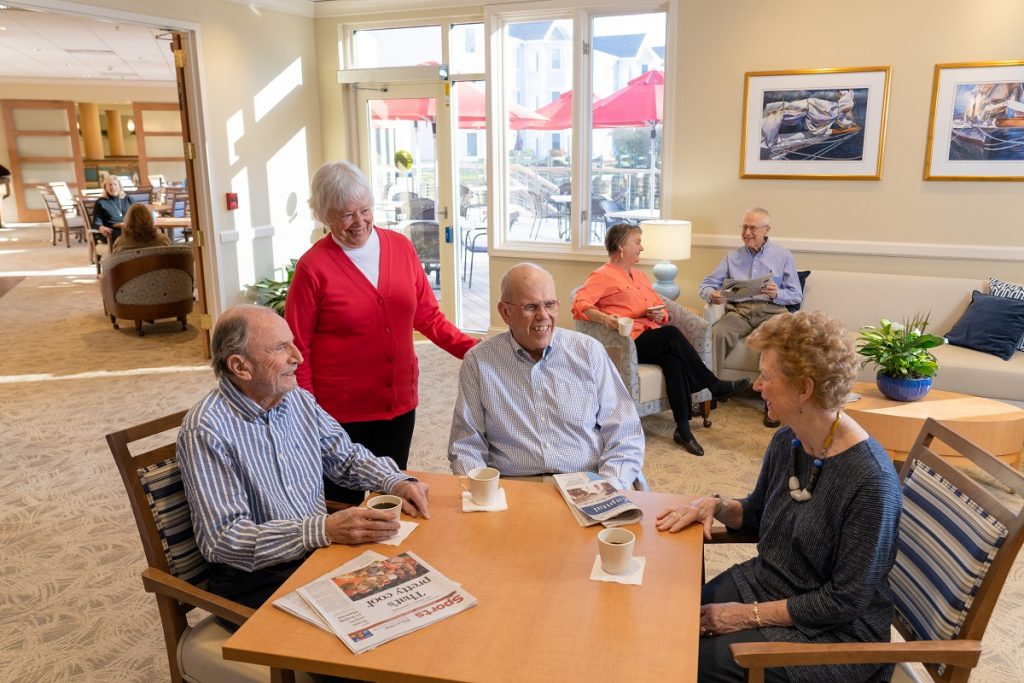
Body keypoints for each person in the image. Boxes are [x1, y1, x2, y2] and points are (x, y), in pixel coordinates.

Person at [656, 311, 901, 683]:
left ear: (804, 388)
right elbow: (755, 514)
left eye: (767, 376)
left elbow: (845, 601)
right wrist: (716, 505)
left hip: (835, 635)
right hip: (769, 583)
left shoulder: (871, 481)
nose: (757, 386)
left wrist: (743, 615)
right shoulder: (789, 438)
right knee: (670, 621)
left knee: (687, 662)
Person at [177, 304, 430, 609]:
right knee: (381, 616)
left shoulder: (296, 399)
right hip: (259, 576)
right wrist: (322, 530)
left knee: (414, 582)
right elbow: (225, 540)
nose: (299, 357)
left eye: (293, 343)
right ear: (240, 367)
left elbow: (345, 457)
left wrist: (394, 481)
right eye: (282, 348)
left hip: (315, 551)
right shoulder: (206, 430)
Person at [285, 161, 477, 504]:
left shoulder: (400, 247)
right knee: (343, 504)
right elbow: (297, 349)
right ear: (323, 216)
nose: (359, 222)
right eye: (345, 215)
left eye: (365, 210)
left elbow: (429, 317)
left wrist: (474, 349)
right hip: (338, 414)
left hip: (398, 402)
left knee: (391, 496)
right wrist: (307, 410)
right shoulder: (313, 268)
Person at [448, 263, 644, 490]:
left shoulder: (589, 352)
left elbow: (625, 431)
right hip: (514, 486)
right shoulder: (479, 361)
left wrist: (609, 485)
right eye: (530, 307)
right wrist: (482, 492)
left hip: (587, 480)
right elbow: (466, 444)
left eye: (549, 305)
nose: (543, 316)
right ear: (505, 312)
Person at [572, 223, 750, 456]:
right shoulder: (602, 275)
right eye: (637, 242)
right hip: (626, 343)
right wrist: (607, 319)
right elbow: (579, 305)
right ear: (620, 246)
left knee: (673, 361)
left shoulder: (639, 276)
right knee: (672, 334)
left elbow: (658, 304)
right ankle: (712, 384)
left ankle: (683, 429)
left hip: (649, 335)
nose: (641, 247)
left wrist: (658, 313)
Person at [699, 208, 801, 427]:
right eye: (744, 227)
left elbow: (796, 295)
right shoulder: (732, 257)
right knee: (718, 332)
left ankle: (773, 403)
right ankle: (710, 393)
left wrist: (777, 293)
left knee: (778, 340)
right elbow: (706, 284)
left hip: (772, 310)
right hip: (740, 312)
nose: (747, 233)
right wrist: (712, 294)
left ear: (766, 230)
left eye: (752, 228)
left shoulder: (783, 256)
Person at [92, 176, 134, 246]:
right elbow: (96, 222)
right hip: (111, 231)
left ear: (120, 186)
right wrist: (101, 228)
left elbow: (140, 213)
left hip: (129, 229)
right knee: (128, 237)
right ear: (105, 188)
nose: (113, 187)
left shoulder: (128, 199)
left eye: (115, 184)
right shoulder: (101, 202)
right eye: (110, 185)